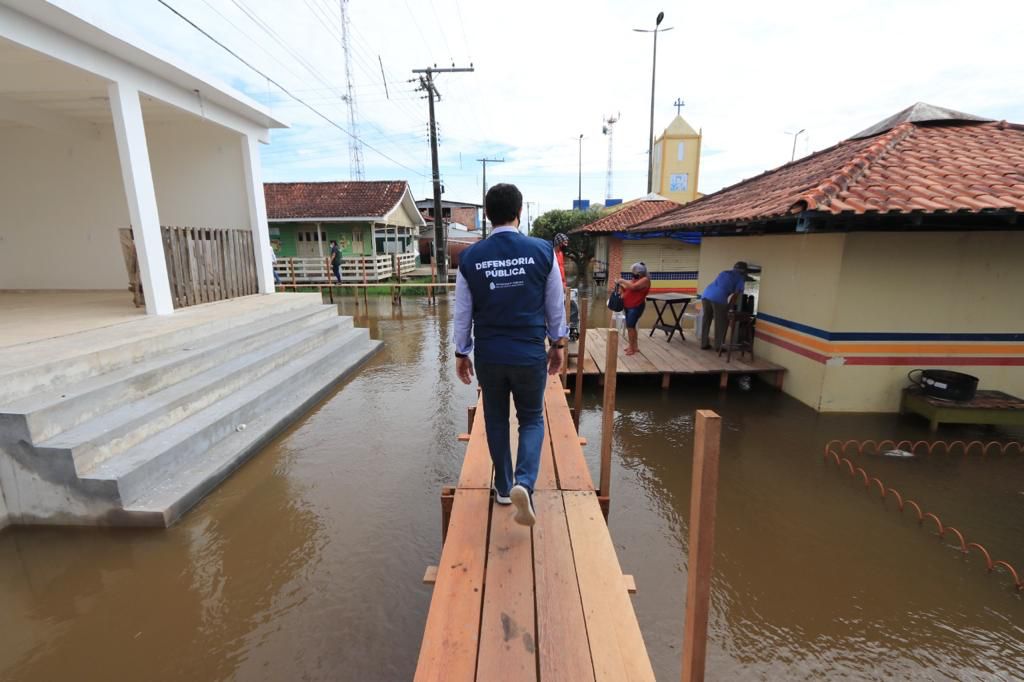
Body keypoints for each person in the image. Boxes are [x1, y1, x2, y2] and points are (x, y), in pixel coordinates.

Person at [454, 183, 567, 527]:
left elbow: (462, 312)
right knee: (531, 419)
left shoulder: (470, 257)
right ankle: (525, 483)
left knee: (496, 419)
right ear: (519, 212)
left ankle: (504, 488)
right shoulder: (543, 251)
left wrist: (461, 351)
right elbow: (556, 305)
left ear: (487, 215)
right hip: (529, 352)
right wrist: (558, 345)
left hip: (489, 353)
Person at [700, 261, 749, 351]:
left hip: (706, 294)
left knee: (706, 319)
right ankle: (718, 346)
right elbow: (736, 295)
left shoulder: (724, 272)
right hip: (718, 298)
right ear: (744, 271)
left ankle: (704, 344)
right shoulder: (740, 279)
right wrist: (730, 307)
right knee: (721, 322)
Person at [615, 262, 652, 356]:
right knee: (631, 327)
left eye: (634, 271)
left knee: (630, 327)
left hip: (636, 306)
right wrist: (620, 286)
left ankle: (631, 348)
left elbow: (633, 287)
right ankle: (634, 346)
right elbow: (628, 290)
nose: (632, 273)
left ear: (639, 272)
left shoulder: (645, 280)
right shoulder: (634, 279)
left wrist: (622, 280)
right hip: (628, 305)